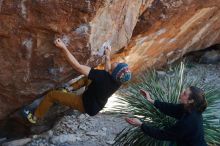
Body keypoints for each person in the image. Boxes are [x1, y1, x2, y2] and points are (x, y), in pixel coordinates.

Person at [24, 38, 132, 124]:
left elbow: (78, 67)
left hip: (85, 104)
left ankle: (35, 117)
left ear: (114, 73)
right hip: (95, 102)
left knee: (52, 95)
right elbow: (108, 70)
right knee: (88, 77)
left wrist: (63, 48)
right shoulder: (117, 81)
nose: (117, 62)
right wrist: (107, 56)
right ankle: (69, 89)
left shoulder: (102, 77)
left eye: (118, 65)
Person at [126, 86, 208, 146]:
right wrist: (151, 100)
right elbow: (171, 108)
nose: (181, 92)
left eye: (185, 93)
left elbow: (163, 135)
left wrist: (141, 124)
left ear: (190, 100)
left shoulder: (187, 122)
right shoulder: (191, 108)